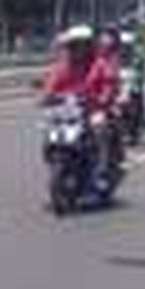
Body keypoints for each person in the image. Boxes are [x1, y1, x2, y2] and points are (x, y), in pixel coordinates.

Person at [41, 24, 121, 189]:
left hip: (93, 109)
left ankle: (102, 171)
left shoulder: (98, 64)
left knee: (100, 127)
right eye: (75, 44)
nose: (79, 48)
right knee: (49, 130)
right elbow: (52, 83)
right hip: (70, 111)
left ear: (89, 45)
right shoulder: (64, 65)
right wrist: (47, 96)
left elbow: (109, 82)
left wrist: (103, 97)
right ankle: (59, 161)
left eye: (83, 44)